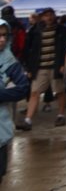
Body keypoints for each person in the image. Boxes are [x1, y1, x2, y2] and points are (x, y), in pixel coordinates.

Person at [17, 7, 66, 129]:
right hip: (39, 67)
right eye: (46, 15)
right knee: (34, 92)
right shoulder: (35, 31)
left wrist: (64, 64)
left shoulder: (61, 30)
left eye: (51, 14)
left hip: (56, 66)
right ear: (42, 17)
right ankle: (28, 120)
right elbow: (28, 50)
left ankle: (61, 115)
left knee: (59, 91)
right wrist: (29, 68)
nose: (49, 17)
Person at [0, 19, 31, 183]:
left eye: (5, 35)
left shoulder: (10, 62)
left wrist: (1, 94)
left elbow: (23, 88)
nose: (2, 39)